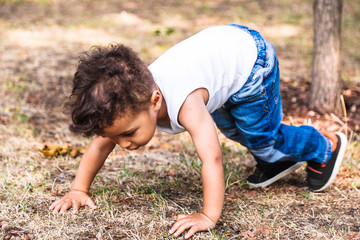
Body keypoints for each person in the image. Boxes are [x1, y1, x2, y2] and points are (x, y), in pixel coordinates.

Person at [49, 24, 347, 239]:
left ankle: (324, 147)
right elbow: (100, 144)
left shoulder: (185, 102)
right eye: (117, 137)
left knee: (260, 134)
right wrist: (78, 190)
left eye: (128, 133)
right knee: (234, 128)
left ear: (155, 101)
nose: (124, 144)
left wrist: (208, 215)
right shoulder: (128, 100)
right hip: (222, 58)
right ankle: (275, 159)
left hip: (250, 61)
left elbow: (212, 159)